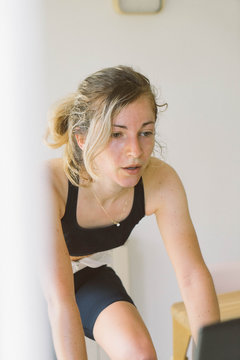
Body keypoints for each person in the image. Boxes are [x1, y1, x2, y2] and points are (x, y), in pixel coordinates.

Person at [43, 65, 220, 360]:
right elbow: (58, 299)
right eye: (116, 134)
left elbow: (191, 275)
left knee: (138, 352)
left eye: (146, 132)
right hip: (17, 282)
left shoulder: (161, 182)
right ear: (82, 138)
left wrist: (213, 355)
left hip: (83, 275)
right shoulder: (49, 186)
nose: (135, 150)